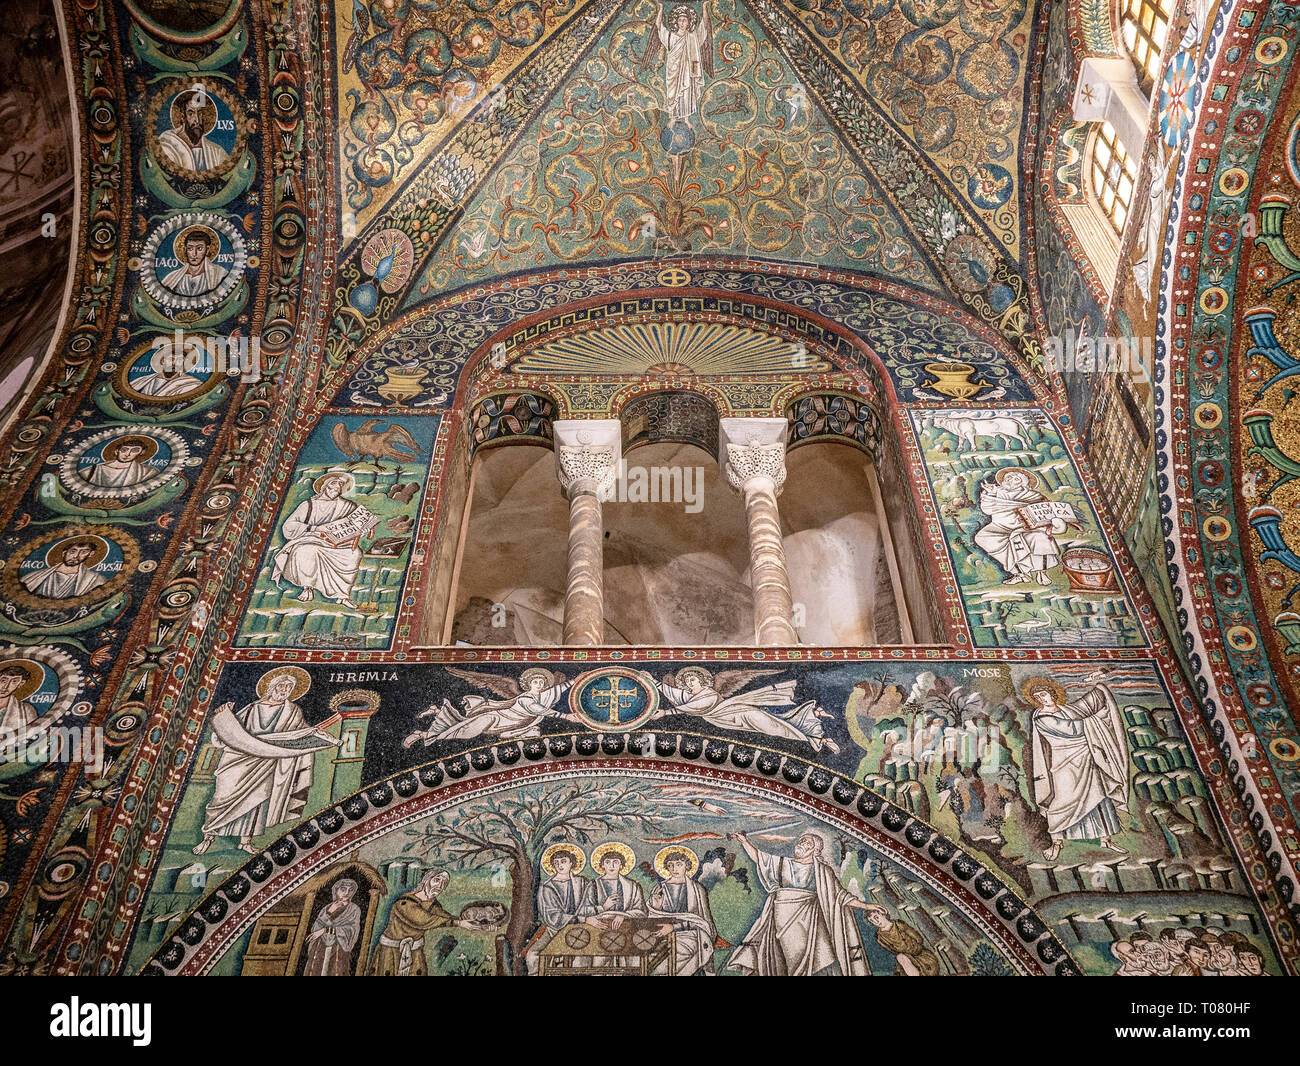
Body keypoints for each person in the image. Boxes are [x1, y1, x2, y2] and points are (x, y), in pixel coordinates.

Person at [193, 667, 337, 855]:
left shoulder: (292, 711)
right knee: (221, 798)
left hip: (269, 761)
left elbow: (297, 734)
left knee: (257, 801)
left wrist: (315, 734)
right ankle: (208, 837)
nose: (284, 690)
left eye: (289, 687)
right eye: (281, 685)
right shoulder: (253, 708)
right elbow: (228, 733)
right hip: (239, 759)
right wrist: (224, 716)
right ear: (272, 687)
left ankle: (245, 841)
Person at [728, 831, 870, 976]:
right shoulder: (782, 863)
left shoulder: (822, 871)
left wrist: (866, 906)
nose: (802, 844)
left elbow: (840, 896)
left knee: (816, 956)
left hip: (810, 920)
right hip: (782, 916)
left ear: (815, 850)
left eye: (808, 843)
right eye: (802, 840)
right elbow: (759, 858)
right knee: (789, 956)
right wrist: (744, 841)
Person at [1024, 677, 1130, 862]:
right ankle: (1056, 843)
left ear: (1052, 693)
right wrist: (1095, 721)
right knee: (1063, 803)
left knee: (1100, 799)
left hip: (1087, 760)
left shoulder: (1066, 710)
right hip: (1064, 765)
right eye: (1037, 697)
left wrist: (1100, 688)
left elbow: (1084, 705)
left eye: (1044, 694)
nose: (1042, 698)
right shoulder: (1041, 718)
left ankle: (1106, 839)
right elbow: (1072, 729)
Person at [656, 667, 837, 751]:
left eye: (693, 679)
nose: (690, 683)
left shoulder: (709, 693)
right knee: (771, 727)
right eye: (687, 681)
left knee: (770, 724)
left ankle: (814, 735)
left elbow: (693, 707)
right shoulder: (687, 696)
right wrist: (653, 682)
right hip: (722, 719)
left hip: (737, 711)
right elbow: (671, 692)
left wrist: (666, 712)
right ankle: (812, 732)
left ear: (701, 680)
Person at [270, 472, 371, 605]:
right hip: (311, 538)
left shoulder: (347, 506)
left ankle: (343, 596)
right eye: (333, 484)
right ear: (324, 486)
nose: (337, 488)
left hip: (337, 542)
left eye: (340, 485)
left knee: (355, 553)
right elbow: (288, 526)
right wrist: (315, 528)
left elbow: (356, 525)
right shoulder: (308, 505)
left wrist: (363, 529)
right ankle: (307, 587)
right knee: (307, 551)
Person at [404, 668, 574, 745]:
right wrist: (564, 716)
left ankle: (436, 715)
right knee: (465, 732)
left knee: (463, 726)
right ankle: (425, 734)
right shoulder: (527, 697)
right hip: (497, 718)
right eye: (535, 681)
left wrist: (578, 679)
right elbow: (537, 709)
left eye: (541, 682)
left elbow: (561, 688)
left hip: (513, 724)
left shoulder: (546, 695)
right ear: (528, 683)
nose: (538, 684)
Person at [972, 468, 1072, 585]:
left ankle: (1042, 572)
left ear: (1022, 482)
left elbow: (1043, 512)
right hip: (1000, 527)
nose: (1010, 481)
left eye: (1016, 479)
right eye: (1008, 478)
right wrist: (993, 493)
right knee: (982, 537)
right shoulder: (997, 492)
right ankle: (1019, 574)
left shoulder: (1032, 495)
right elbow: (987, 508)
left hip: (1025, 528)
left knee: (1040, 538)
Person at [369, 869, 475, 975]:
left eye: (444, 883)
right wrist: (458, 923)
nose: (439, 886)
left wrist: (464, 921)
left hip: (415, 953)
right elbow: (423, 920)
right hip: (391, 951)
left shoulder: (433, 905)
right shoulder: (404, 902)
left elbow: (444, 916)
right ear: (426, 880)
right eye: (437, 880)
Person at [648, 847, 717, 975]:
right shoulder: (659, 888)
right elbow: (649, 918)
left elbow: (702, 921)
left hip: (691, 934)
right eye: (671, 865)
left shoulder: (697, 889)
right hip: (661, 934)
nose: (674, 869)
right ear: (666, 868)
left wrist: (674, 927)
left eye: (679, 864)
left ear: (687, 866)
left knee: (681, 948)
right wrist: (655, 908)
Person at [527, 845, 594, 974]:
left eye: (563, 861)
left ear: (572, 863)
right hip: (554, 931)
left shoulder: (582, 883)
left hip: (581, 929)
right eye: (556, 863)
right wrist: (582, 918)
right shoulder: (546, 888)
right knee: (533, 955)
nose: (559, 865)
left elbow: (588, 905)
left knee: (585, 956)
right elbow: (553, 917)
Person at [654, 3, 711, 125]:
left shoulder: (693, 37)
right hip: (674, 71)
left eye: (684, 20)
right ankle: (673, 118)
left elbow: (704, 26)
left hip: (688, 70)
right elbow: (659, 27)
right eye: (680, 20)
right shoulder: (671, 37)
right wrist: (661, 9)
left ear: (689, 22)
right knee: (673, 94)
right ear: (676, 22)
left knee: (687, 92)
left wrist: (705, 8)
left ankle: (686, 119)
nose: (682, 23)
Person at [158, 88, 229, 172]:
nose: (197, 120)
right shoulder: (168, 144)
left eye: (199, 113)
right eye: (191, 113)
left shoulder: (216, 152)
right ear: (183, 117)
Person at [303, 879, 362, 976]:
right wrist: (330, 911)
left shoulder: (354, 909)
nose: (347, 893)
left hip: (338, 948)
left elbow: (351, 930)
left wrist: (325, 930)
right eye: (343, 889)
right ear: (336, 890)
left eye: (350, 890)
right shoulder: (327, 908)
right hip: (320, 947)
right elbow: (315, 928)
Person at [861, 905, 940, 975]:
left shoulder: (898, 924)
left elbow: (918, 938)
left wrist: (913, 949)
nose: (876, 922)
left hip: (922, 956)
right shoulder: (879, 937)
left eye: (876, 917)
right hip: (906, 961)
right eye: (872, 921)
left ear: (883, 914)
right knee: (900, 957)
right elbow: (892, 950)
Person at [20, 538, 108, 599]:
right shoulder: (34, 577)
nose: (76, 556)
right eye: (73, 551)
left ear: (91, 554)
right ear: (64, 553)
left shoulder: (95, 580)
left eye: (83, 552)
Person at [586, 842, 647, 926]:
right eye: (607, 862)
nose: (612, 866)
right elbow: (583, 910)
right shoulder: (593, 885)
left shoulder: (632, 886)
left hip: (625, 926)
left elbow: (642, 912)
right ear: (602, 865)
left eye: (616, 862)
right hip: (599, 925)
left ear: (621, 865)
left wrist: (623, 915)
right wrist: (603, 907)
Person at [161, 227, 228, 298]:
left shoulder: (219, 274)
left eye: (199, 248)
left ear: (207, 250)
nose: (194, 254)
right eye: (190, 248)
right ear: (185, 250)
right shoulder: (172, 277)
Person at [86, 437, 153, 489]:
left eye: (134, 450)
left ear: (142, 452)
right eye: (124, 450)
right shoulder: (98, 468)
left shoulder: (146, 471)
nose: (127, 454)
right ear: (116, 451)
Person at [0, 664, 38, 735]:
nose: (5, 686)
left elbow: (33, 734)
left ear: (21, 684)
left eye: (14, 681)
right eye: (3, 680)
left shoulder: (26, 710)